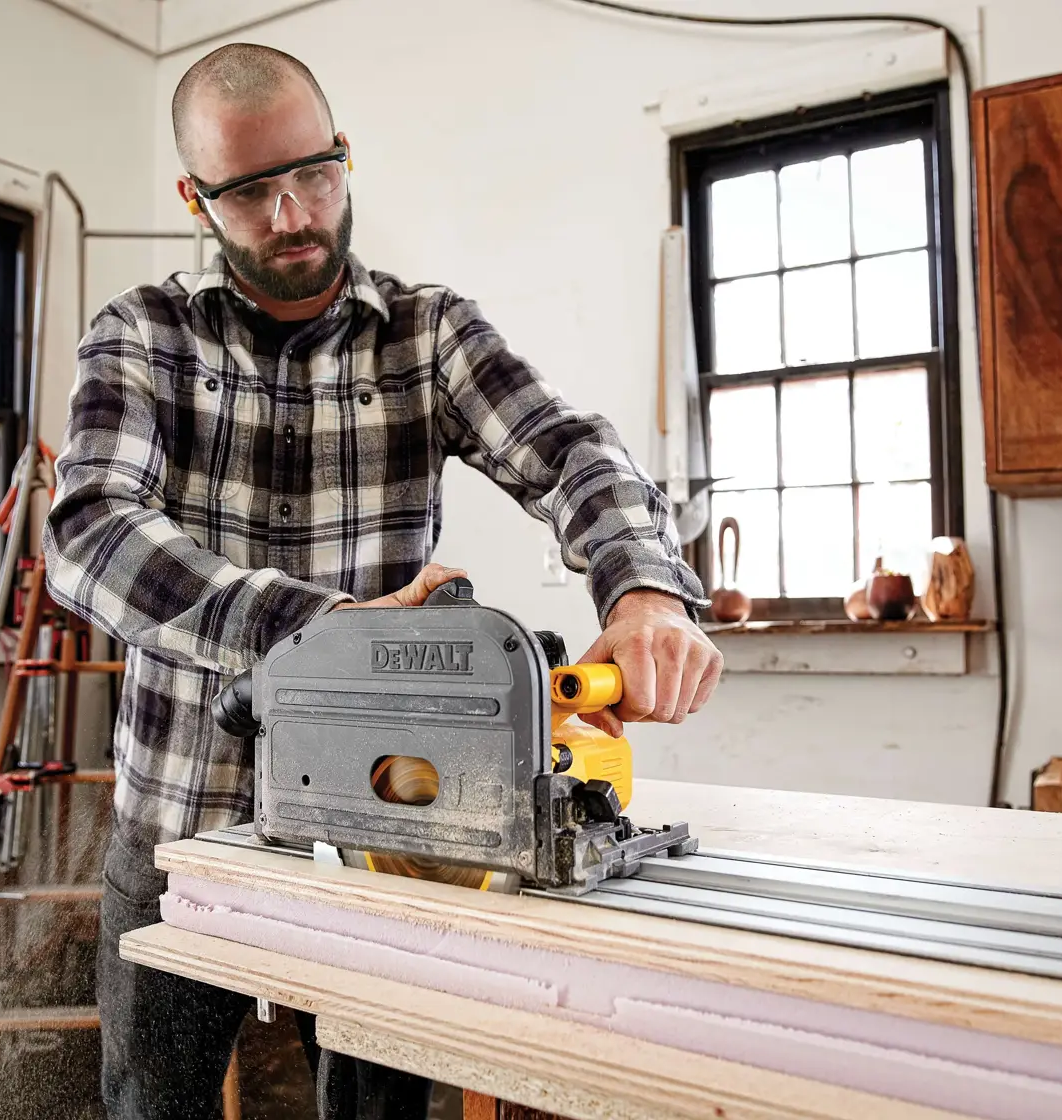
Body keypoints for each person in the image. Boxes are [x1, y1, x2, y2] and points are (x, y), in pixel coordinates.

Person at [42, 42, 722, 1120]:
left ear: (344, 155)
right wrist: (325, 634)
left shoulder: (428, 333)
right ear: (193, 197)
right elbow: (88, 532)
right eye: (252, 191)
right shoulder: (142, 334)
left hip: (385, 831)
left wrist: (644, 588)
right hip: (182, 815)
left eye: (315, 174)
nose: (295, 214)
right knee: (150, 1104)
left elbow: (572, 450)